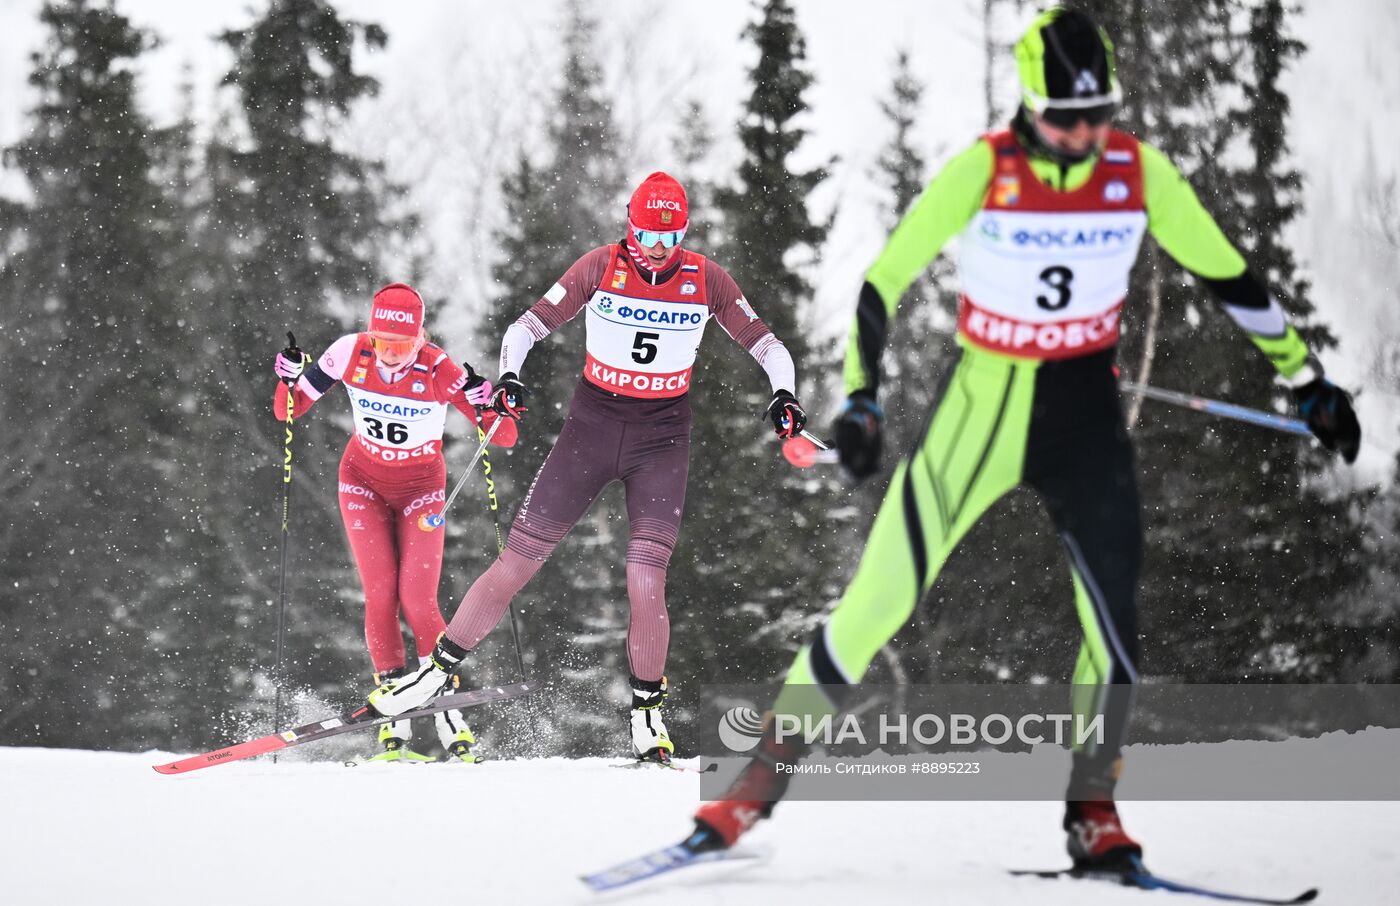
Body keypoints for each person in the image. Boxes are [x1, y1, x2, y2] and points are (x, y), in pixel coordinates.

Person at [687, 7, 1361, 871]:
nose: (1083, 135)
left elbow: (1227, 271)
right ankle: (755, 786)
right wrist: (861, 401)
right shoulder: (987, 168)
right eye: (1064, 117)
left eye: (1098, 115)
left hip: (1081, 412)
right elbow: (881, 283)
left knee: (1113, 625)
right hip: (981, 406)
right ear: (1030, 105)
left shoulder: (1136, 171)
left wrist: (1306, 378)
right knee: (879, 599)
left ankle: (1093, 810)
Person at [364, 172, 808, 763]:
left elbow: (767, 344)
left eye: (669, 237)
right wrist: (511, 380)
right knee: (517, 562)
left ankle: (648, 713)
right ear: (631, 227)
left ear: (683, 233)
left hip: (661, 441)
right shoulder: (601, 266)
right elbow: (525, 328)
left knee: (646, 576)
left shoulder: (706, 279)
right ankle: (438, 673)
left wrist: (784, 394)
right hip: (590, 432)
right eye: (647, 234)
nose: (657, 248)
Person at [273, 283, 518, 762]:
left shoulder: (441, 370)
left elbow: (504, 436)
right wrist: (286, 377)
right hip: (361, 483)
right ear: (371, 334)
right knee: (381, 594)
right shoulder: (349, 352)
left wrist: (487, 400)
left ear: (421, 339)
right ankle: (393, 721)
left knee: (417, 598)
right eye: (383, 343)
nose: (390, 356)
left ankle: (444, 705)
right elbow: (288, 409)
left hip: (421, 491)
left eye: (403, 346)